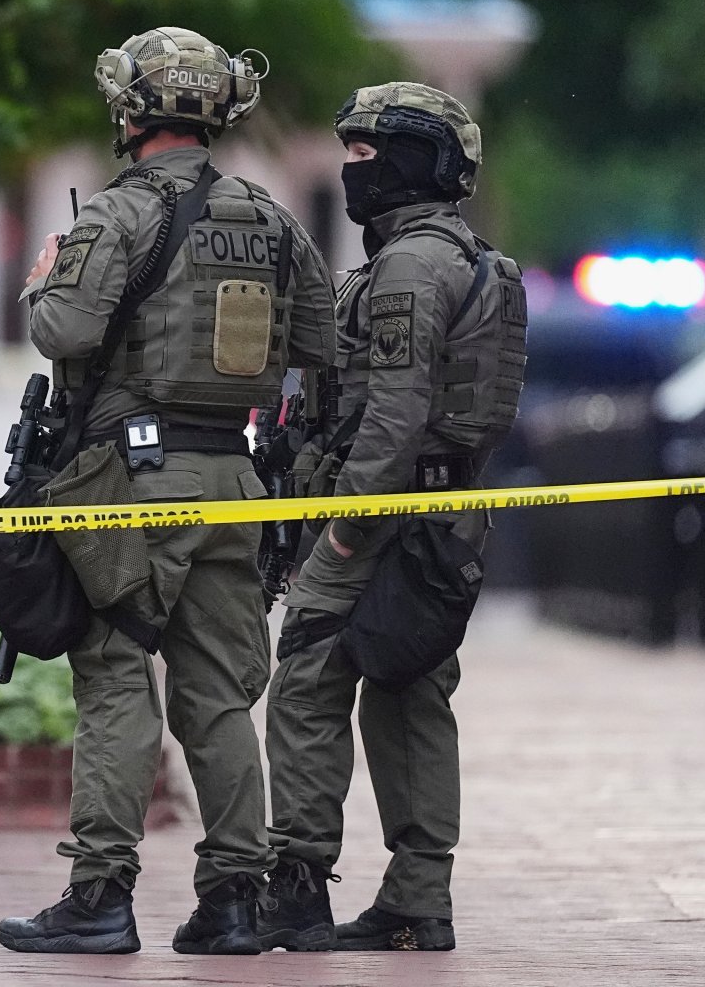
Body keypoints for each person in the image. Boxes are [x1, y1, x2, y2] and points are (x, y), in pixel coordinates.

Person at [0, 27, 337, 955]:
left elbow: (63, 331)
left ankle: (100, 894)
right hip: (235, 480)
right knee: (219, 696)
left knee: (115, 676)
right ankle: (233, 901)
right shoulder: (271, 220)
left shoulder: (117, 214)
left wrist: (42, 282)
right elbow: (319, 344)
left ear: (131, 111)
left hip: (134, 486)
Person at [262, 82, 526, 952]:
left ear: (416, 161)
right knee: (410, 691)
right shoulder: (468, 260)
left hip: (381, 515)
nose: (351, 169)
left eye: (367, 153)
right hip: (441, 516)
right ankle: (417, 899)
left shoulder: (411, 267)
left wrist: (343, 528)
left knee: (307, 679)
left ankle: (296, 887)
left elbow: (395, 413)